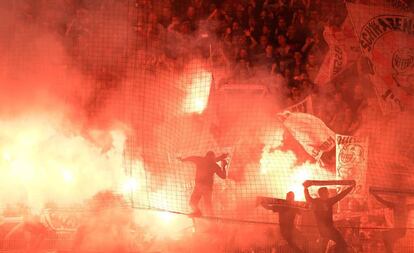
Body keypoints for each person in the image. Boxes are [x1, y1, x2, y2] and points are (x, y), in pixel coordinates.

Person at [303, 180, 356, 253]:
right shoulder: (318, 202)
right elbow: (308, 198)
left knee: (340, 244)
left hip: (327, 229)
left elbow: (340, 196)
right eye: (327, 193)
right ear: (322, 194)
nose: (328, 194)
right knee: (342, 244)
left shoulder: (327, 201)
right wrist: (305, 188)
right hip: (326, 230)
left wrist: (350, 188)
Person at [178, 151, 228, 216]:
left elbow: (192, 158)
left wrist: (183, 160)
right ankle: (200, 213)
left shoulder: (204, 161)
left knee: (197, 204)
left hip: (203, 187)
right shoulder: (212, 164)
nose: (210, 159)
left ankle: (203, 214)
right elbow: (223, 176)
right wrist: (223, 166)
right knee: (195, 203)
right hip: (202, 187)